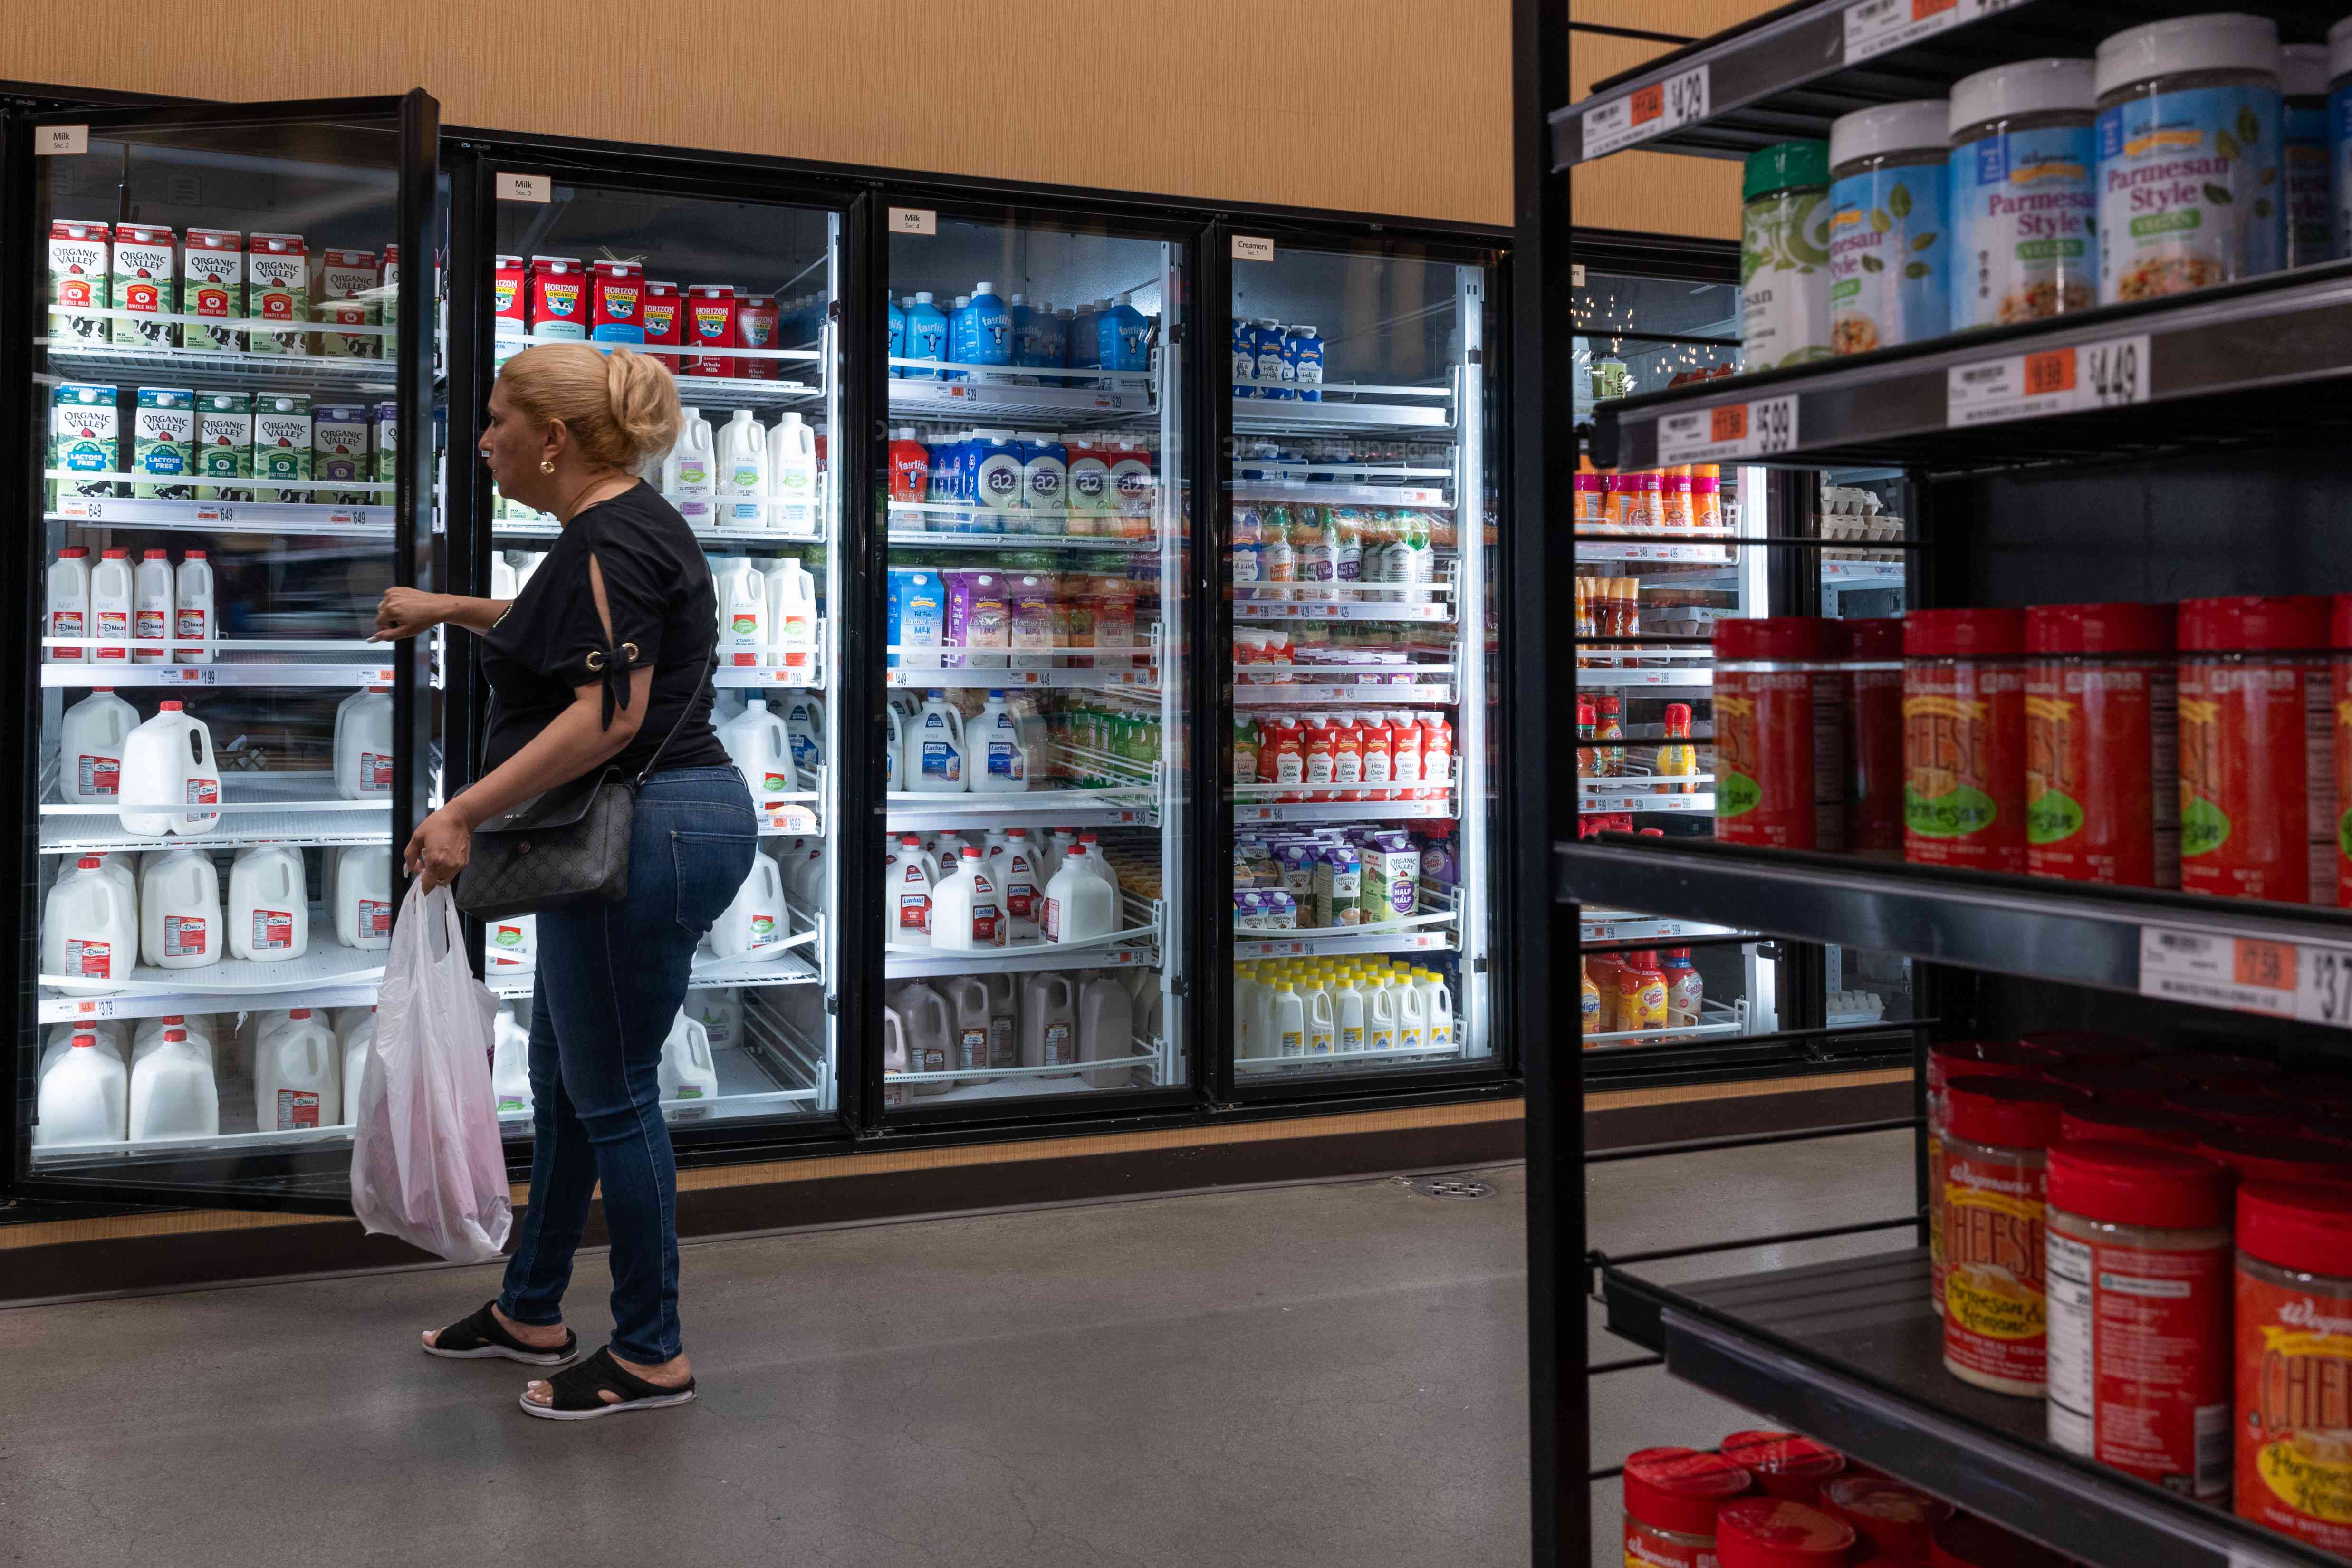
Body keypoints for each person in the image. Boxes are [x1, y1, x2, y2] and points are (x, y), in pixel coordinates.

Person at [373, 343, 756, 1420]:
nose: (483, 439)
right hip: (648, 828)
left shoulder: (612, 537)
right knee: (568, 1075)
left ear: (555, 439)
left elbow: (612, 714)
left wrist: (462, 813)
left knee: (616, 1094)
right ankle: (531, 1305)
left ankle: (652, 1352)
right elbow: (572, 635)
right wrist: (451, 608)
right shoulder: (608, 532)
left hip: (647, 829)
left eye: (497, 420)